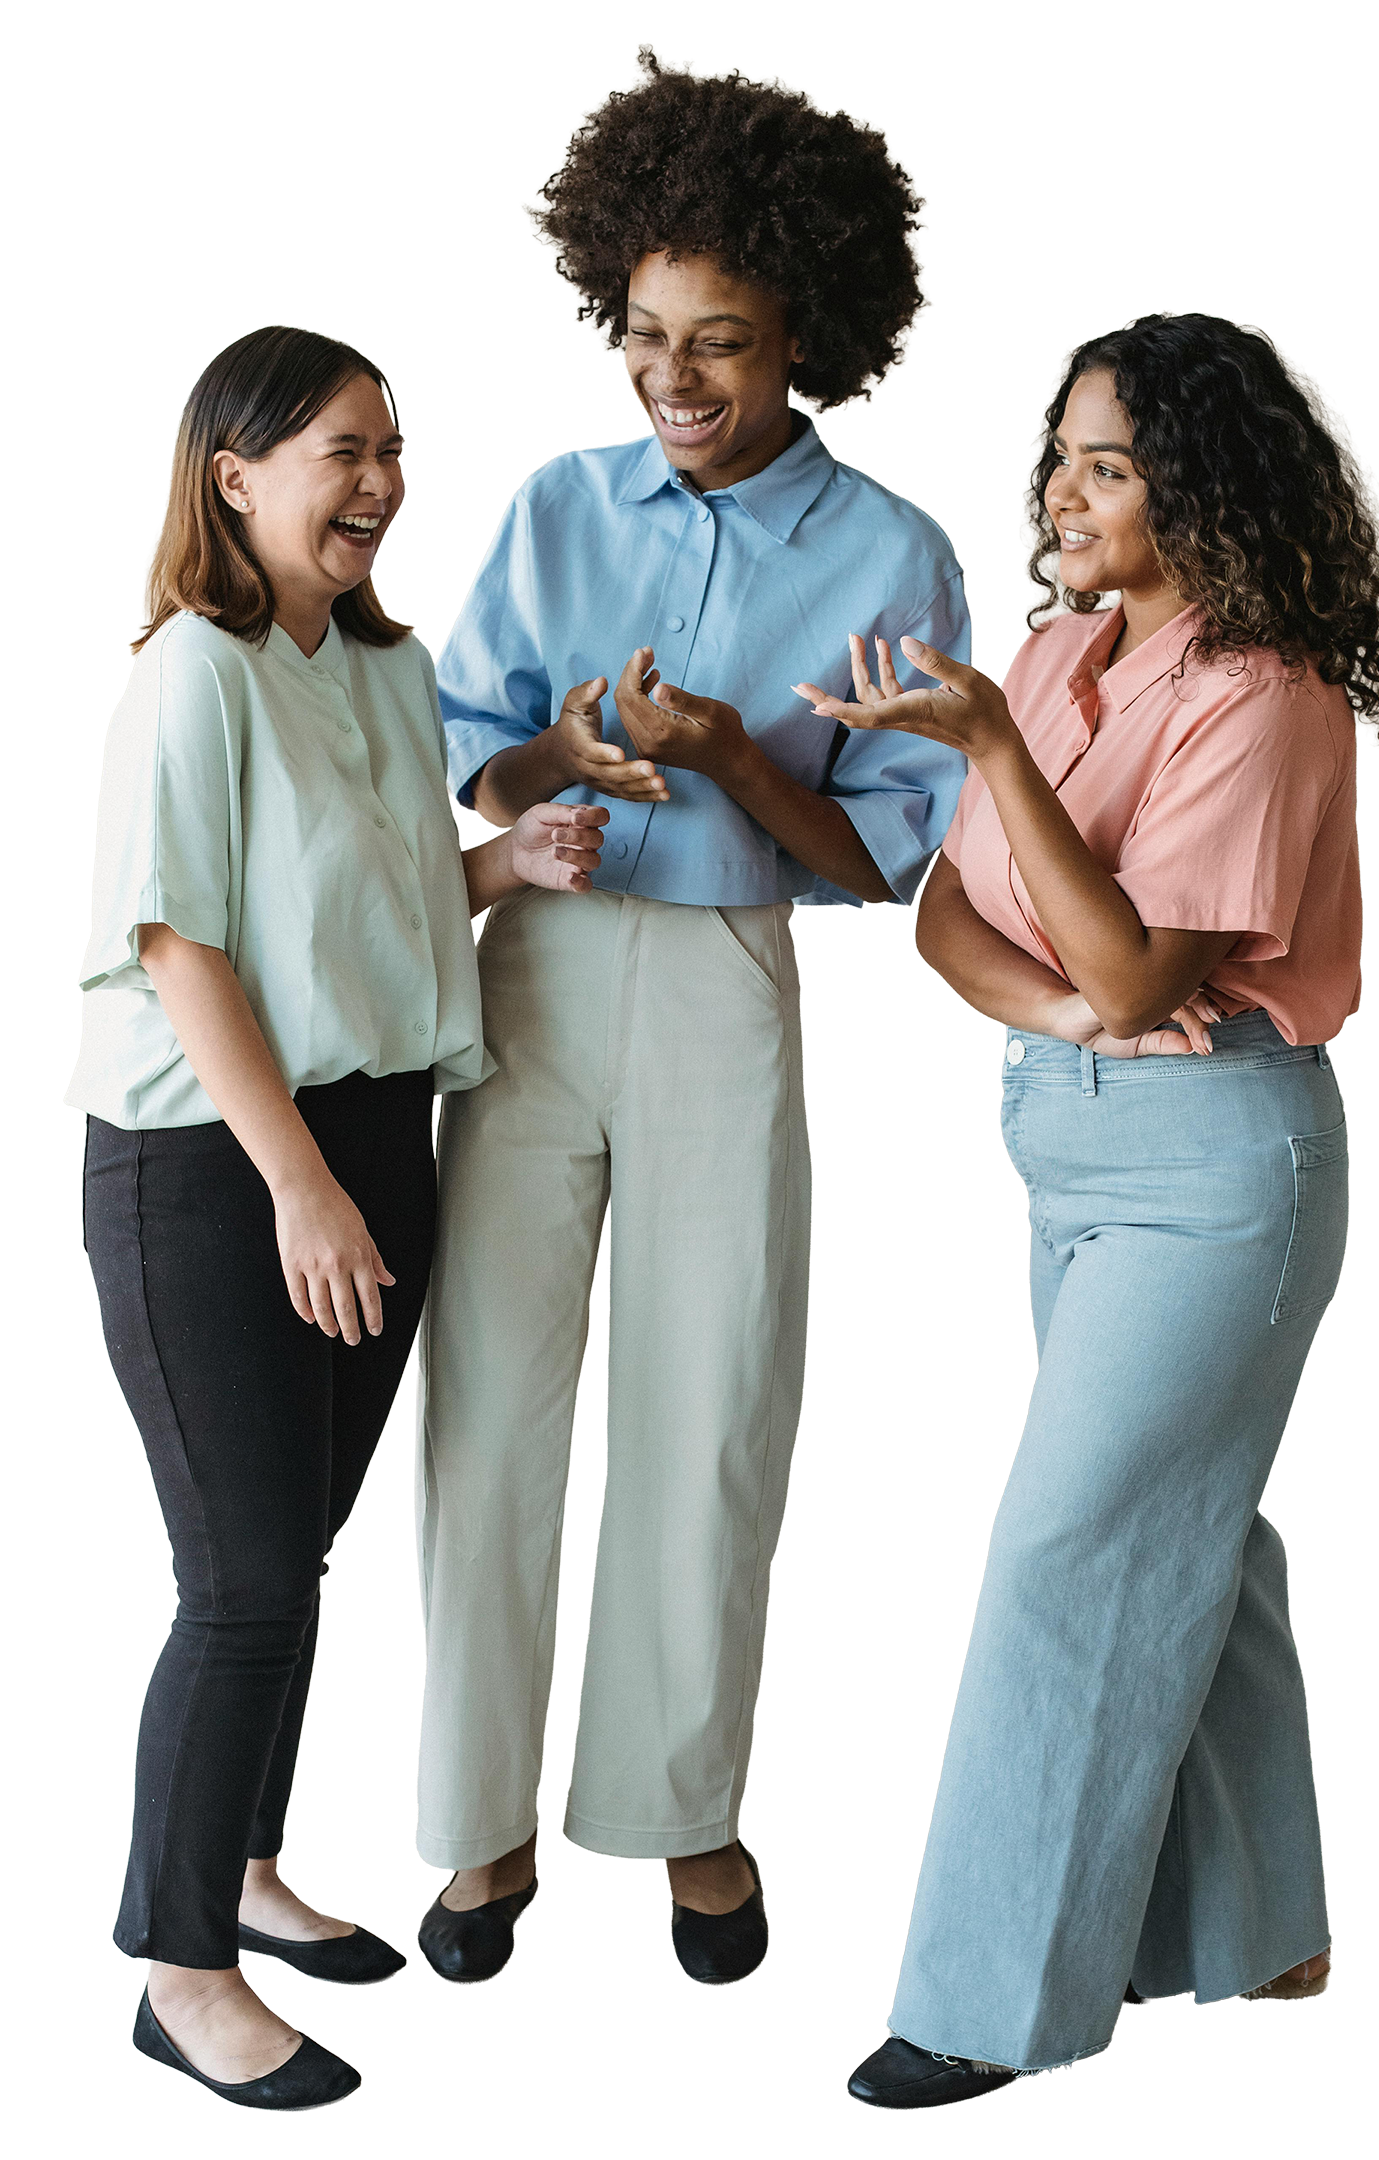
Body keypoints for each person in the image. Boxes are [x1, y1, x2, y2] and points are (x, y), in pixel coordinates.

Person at [791, 312, 1379, 2104]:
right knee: (1190, 1526)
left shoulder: (1266, 696)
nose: (1061, 491)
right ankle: (1244, 1939)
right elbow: (950, 930)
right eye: (1061, 452)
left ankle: (992, 2014)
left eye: (1107, 464)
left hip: (1221, 1168)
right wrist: (1067, 1011)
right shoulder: (1060, 653)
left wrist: (992, 763)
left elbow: (1148, 974)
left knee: (1072, 1553)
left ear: (1200, 490)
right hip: (1071, 1142)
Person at [413, 50, 970, 1986]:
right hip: (537, 963)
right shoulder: (564, 506)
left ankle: (681, 1805)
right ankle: (474, 1824)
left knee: (712, 1397)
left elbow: (882, 856)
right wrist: (555, 753)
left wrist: (730, 753)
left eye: (719, 341)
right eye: (648, 334)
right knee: (492, 1389)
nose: (675, 376)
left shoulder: (897, 560)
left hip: (726, 985)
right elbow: (466, 753)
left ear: (807, 330)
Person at [67, 325, 606, 2111]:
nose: (380, 484)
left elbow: (361, 913)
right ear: (235, 474)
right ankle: (177, 1970)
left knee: (296, 1562)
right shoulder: (194, 674)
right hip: (222, 1164)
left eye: (391, 449)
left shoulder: (384, 670)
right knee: (237, 1583)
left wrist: (505, 863)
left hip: (381, 1141)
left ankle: (238, 1866)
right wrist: (295, 1179)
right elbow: (181, 942)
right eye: (339, 453)